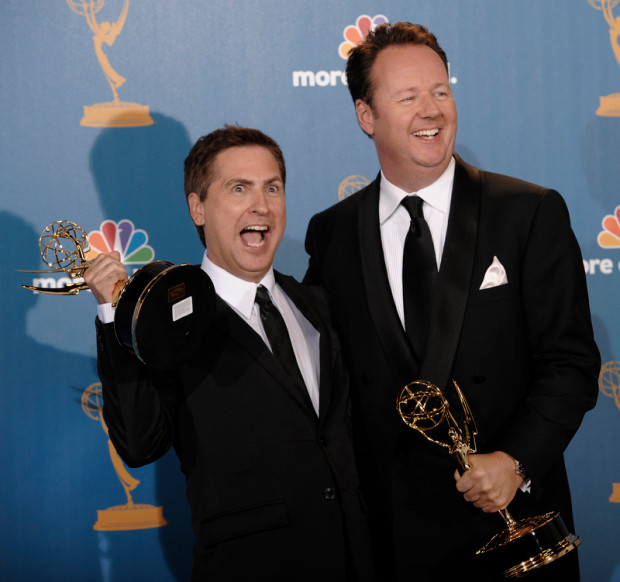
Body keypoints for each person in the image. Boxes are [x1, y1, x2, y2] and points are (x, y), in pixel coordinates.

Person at [303, 22, 600, 581]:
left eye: (440, 91)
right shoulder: (332, 233)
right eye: (408, 97)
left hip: (512, 534)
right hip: (393, 544)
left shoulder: (527, 212)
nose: (431, 110)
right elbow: (322, 377)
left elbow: (572, 363)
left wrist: (515, 462)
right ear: (366, 115)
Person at [85, 125, 374, 581]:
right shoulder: (166, 322)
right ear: (197, 207)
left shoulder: (316, 303)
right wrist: (112, 313)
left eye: (272, 188)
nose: (261, 205)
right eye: (239, 188)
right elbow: (140, 445)